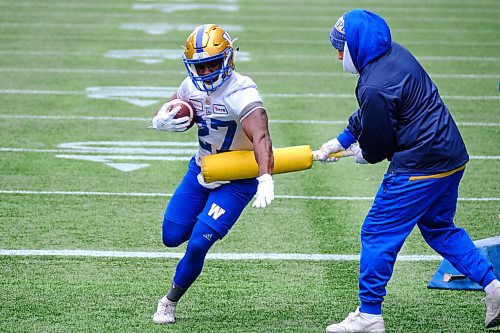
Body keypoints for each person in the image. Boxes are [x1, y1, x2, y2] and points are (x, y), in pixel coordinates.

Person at [313, 9, 500, 333]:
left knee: (376, 233)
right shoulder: (393, 53)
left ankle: (369, 316)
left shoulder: (372, 84)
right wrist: (341, 139)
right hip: (450, 157)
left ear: (358, 45)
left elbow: (379, 138)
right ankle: (495, 288)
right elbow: (372, 112)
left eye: (342, 47)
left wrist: (363, 153)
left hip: (420, 166)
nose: (339, 54)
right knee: (440, 229)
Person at [150, 24, 275, 324]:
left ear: (229, 59)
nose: (205, 72)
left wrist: (265, 176)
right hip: (202, 168)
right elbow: (174, 107)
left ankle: (168, 301)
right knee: (171, 236)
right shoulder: (189, 86)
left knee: (198, 243)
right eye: (198, 66)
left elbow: (261, 135)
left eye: (211, 64)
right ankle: (205, 223)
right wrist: (160, 120)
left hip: (237, 180)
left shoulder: (241, 90)